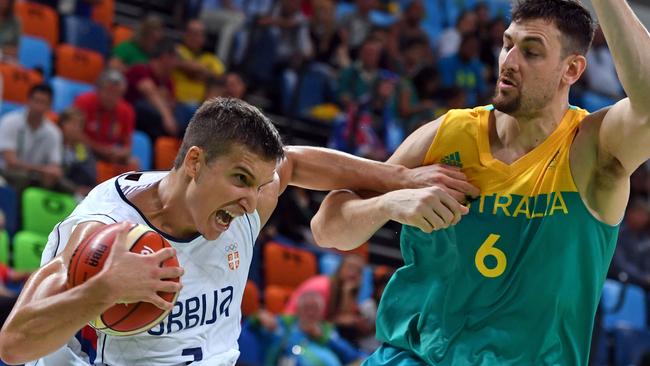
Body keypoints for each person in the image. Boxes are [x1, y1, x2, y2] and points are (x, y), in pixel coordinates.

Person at [0, 97, 478, 365]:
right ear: (194, 162)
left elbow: (294, 164)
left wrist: (398, 178)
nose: (252, 201)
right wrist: (105, 288)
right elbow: (15, 343)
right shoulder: (102, 232)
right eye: (240, 179)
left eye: (258, 184)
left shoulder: (243, 207)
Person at [311, 0, 650, 363]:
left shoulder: (592, 150)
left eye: (531, 52)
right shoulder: (448, 134)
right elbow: (326, 229)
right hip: (409, 357)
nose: (509, 62)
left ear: (572, 69)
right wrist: (387, 204)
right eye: (507, 45)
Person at [254, 291, 365, 366]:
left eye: (315, 308)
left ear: (322, 313)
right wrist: (259, 316)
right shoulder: (286, 323)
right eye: (307, 308)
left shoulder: (327, 332)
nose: (310, 313)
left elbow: (353, 354)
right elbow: (252, 324)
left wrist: (323, 338)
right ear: (298, 310)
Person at [0, 83, 63, 192]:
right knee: (22, 178)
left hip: (36, 177)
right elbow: (10, 162)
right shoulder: (10, 121)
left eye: (43, 103)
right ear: (28, 101)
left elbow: (55, 167)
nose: (38, 107)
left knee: (63, 185)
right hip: (5, 174)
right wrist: (43, 170)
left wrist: (51, 173)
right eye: (36, 101)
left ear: (50, 106)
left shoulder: (54, 132)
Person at [74, 69, 137, 167]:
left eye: (117, 93)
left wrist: (121, 153)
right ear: (98, 90)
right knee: (81, 156)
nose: (111, 96)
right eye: (108, 91)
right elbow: (74, 134)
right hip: (84, 147)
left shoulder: (126, 110)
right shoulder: (84, 102)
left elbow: (127, 146)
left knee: (133, 163)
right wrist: (99, 149)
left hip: (110, 154)